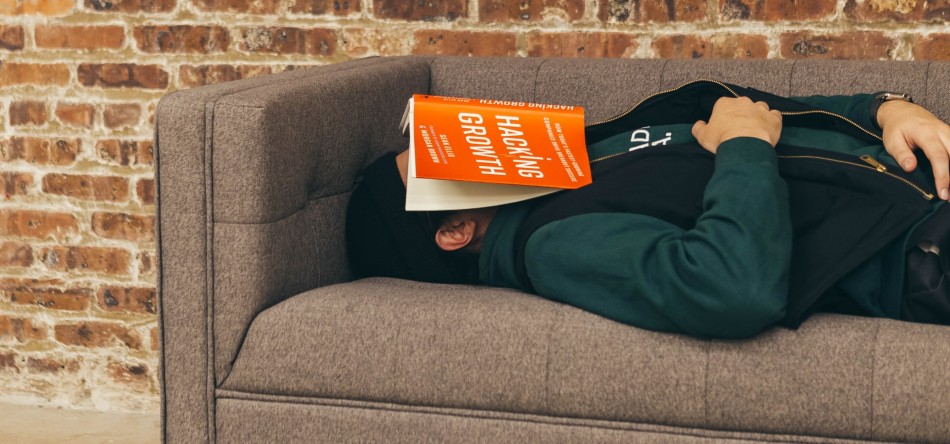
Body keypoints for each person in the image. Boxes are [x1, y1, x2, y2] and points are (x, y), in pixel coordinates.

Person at [346, 82, 950, 339]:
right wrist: (742, 149)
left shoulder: (582, 156)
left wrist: (885, 108)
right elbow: (728, 288)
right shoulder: (550, 244)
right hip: (919, 246)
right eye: (434, 162)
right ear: (453, 230)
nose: (468, 143)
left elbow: (734, 105)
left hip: (922, 169)